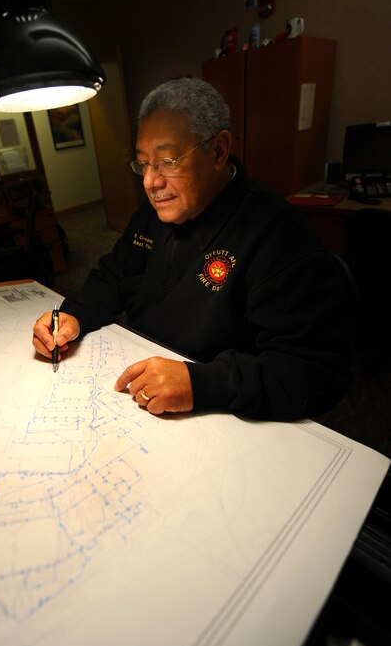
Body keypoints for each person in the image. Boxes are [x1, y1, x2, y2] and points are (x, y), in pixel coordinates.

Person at [33, 77, 354, 421]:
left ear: (218, 151)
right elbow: (115, 275)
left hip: (219, 411)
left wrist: (201, 383)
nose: (150, 183)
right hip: (142, 386)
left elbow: (314, 373)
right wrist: (73, 315)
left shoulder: (278, 236)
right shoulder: (153, 213)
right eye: (143, 163)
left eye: (168, 161)